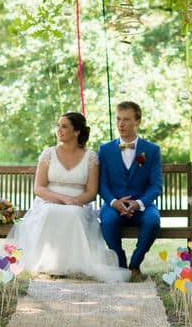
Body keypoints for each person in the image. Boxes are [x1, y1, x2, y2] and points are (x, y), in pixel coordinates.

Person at [11, 112, 130, 282]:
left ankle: (75, 265)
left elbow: (91, 191)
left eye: (64, 126)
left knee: (73, 214)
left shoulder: (91, 157)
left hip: (78, 204)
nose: (59, 130)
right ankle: (47, 264)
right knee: (50, 212)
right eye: (58, 125)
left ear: (77, 132)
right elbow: (38, 188)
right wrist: (63, 199)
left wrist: (75, 202)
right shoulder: (48, 154)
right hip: (48, 201)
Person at [98, 101, 163, 279]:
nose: (121, 124)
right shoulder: (105, 150)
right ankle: (120, 265)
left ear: (138, 122)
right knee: (108, 221)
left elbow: (156, 185)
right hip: (114, 205)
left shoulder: (152, 150)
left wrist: (139, 203)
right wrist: (114, 202)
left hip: (142, 205)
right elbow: (102, 183)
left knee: (153, 221)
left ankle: (135, 264)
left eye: (126, 120)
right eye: (118, 119)